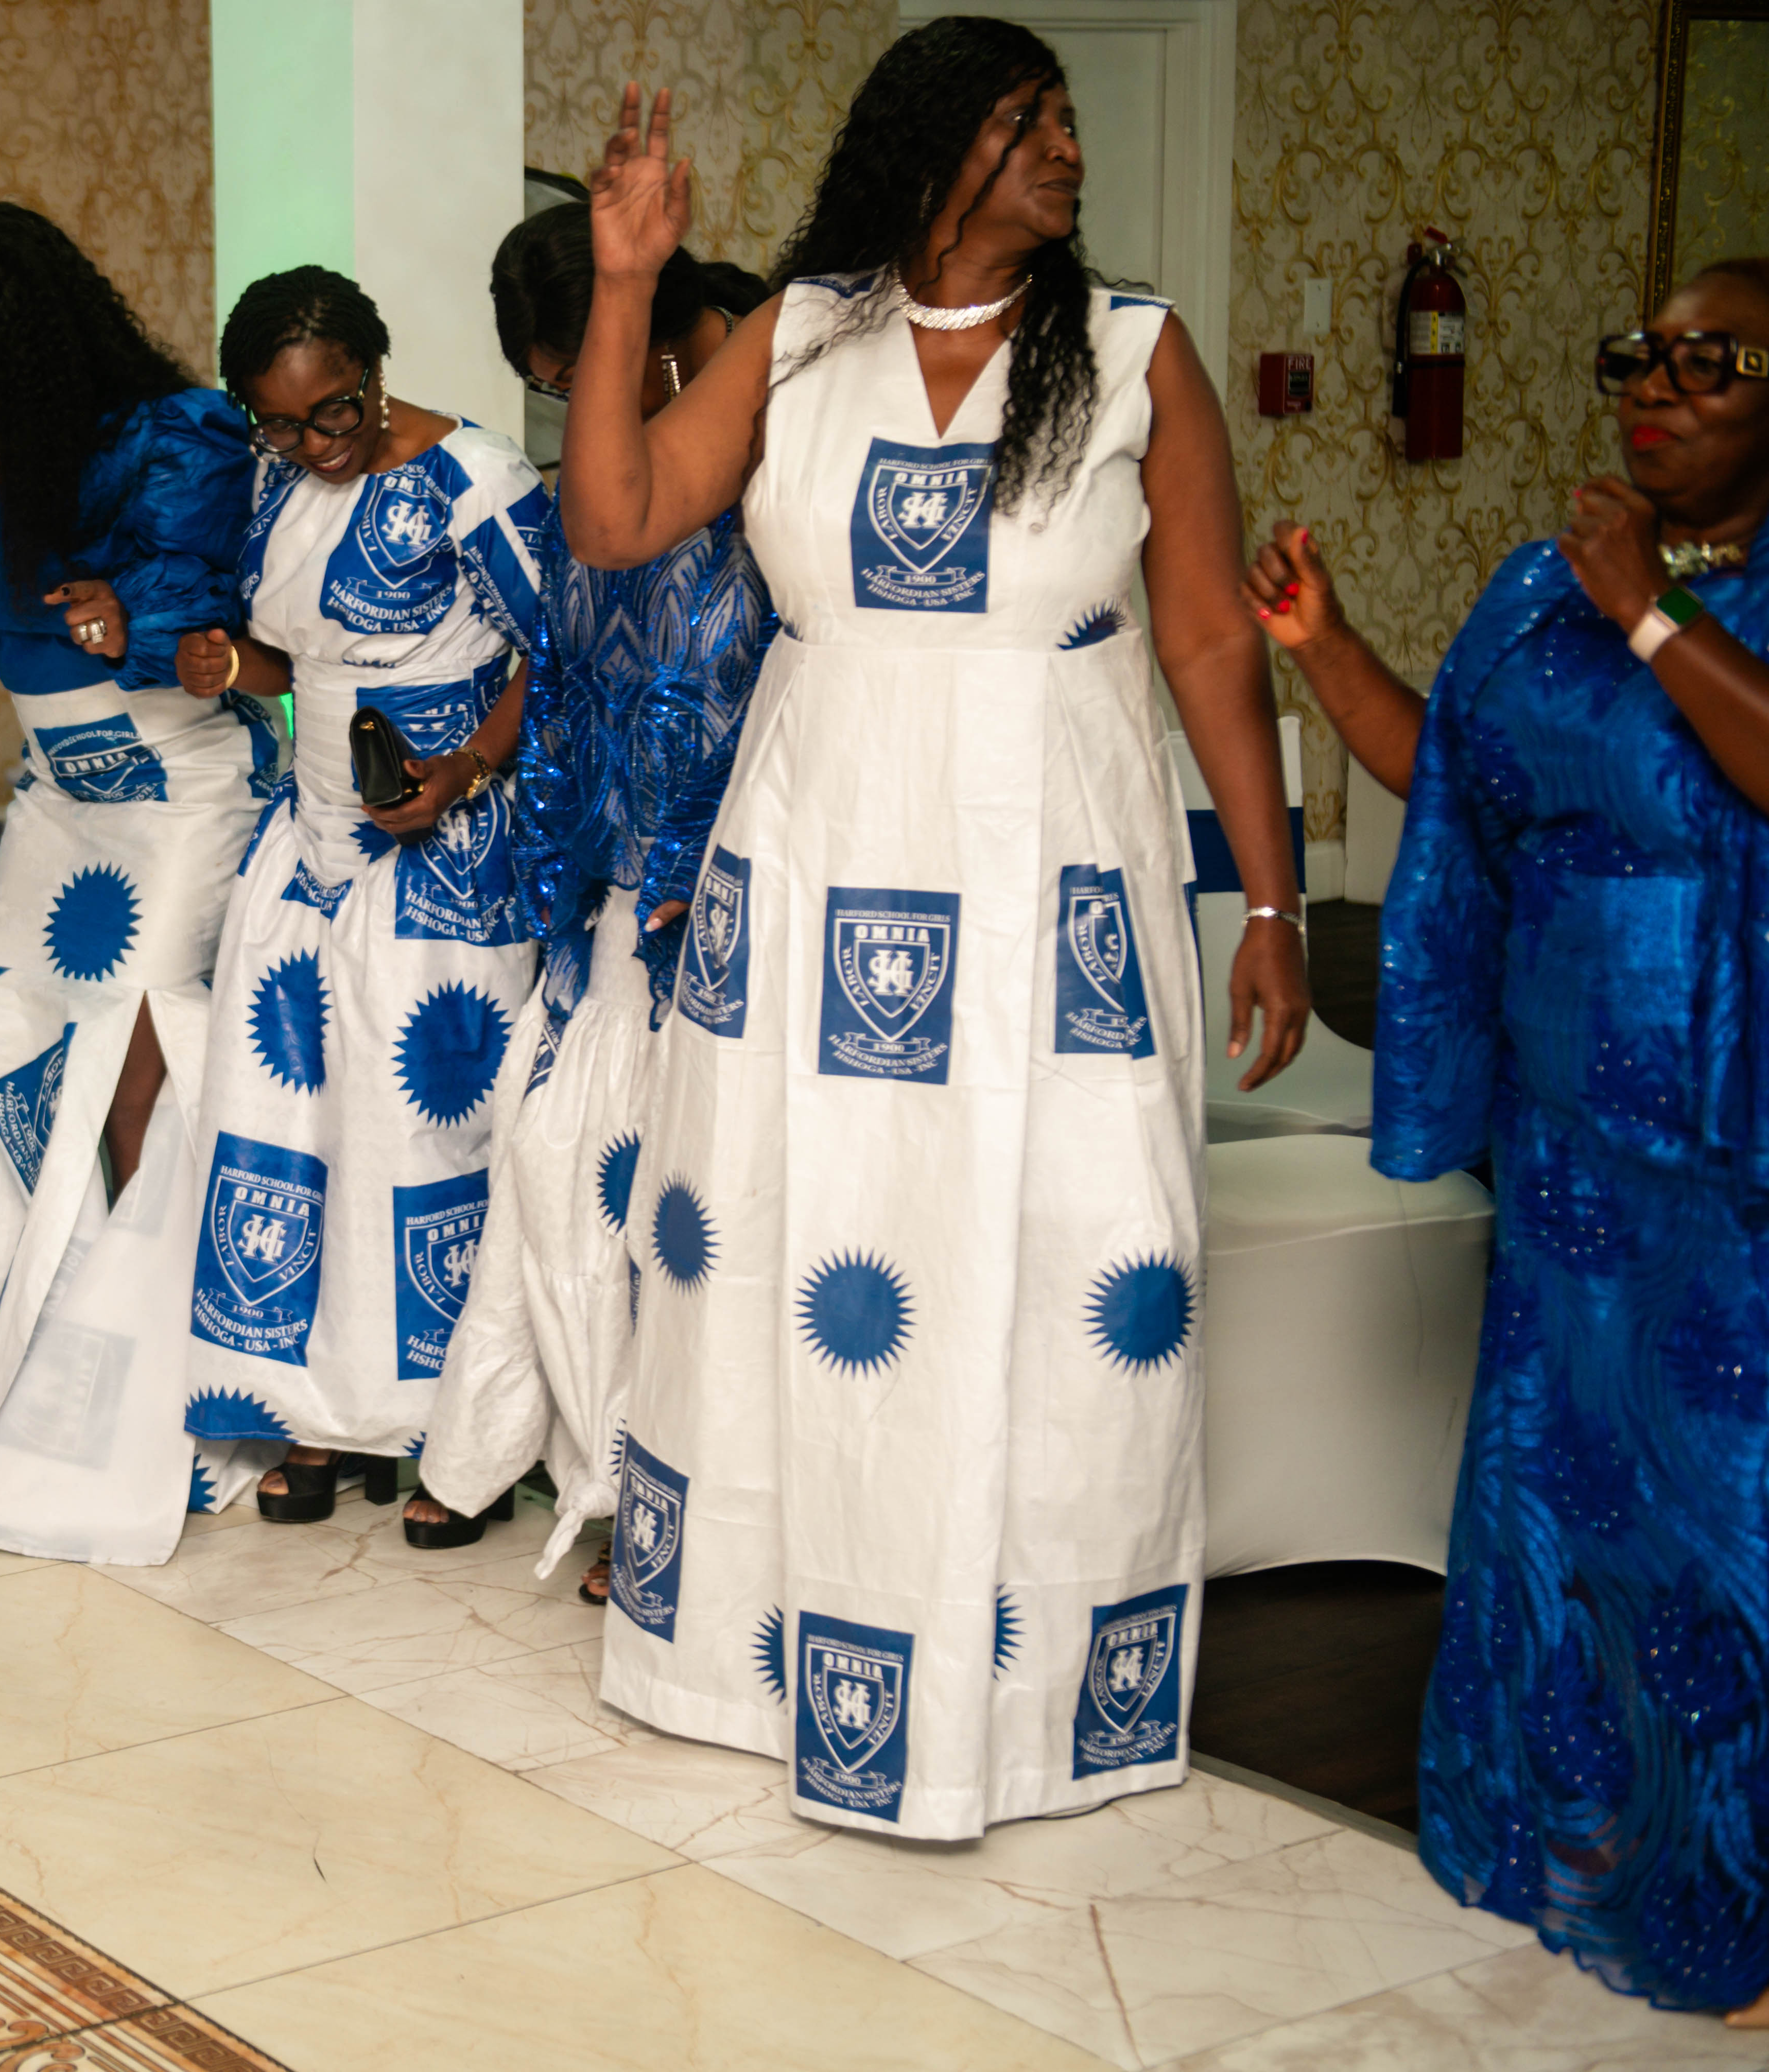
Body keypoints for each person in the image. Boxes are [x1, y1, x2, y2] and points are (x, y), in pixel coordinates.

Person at [565, 35, 1308, 1840]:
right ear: (925, 147)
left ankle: (1028, 1696)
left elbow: (1207, 638)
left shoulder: (1130, 351)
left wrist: (1274, 897)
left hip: (1049, 872)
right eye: (1021, 121)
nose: (1066, 148)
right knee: (784, 1228)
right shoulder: (801, 338)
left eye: (1067, 118)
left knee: (1064, 1235)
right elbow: (617, 516)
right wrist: (625, 282)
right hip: (817, 848)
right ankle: (753, 1658)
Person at [1255, 261, 1769, 2021]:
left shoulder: (1624, 589)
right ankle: (1562, 1840)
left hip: (1732, 1155)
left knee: (1722, 1520)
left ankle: (1730, 1900)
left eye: (1710, 362)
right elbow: (1458, 778)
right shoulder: (1538, 589)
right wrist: (1327, 653)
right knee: (1559, 1501)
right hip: (1568, 1151)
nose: (1657, 387)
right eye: (1640, 355)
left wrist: (1650, 612)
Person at [0, 198, 279, 1547]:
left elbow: (209, 611)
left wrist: (128, 615)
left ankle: (173, 1399)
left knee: (132, 1075)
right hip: (58, 802)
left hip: (176, 788)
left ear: (36, 354)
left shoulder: (164, 435)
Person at [417, 206, 773, 1582]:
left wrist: (720, 851)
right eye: (552, 383)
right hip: (607, 873)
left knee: (664, 1194)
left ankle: (661, 1495)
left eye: (571, 371)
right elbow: (560, 658)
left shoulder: (770, 417)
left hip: (725, 874)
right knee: (559, 1161)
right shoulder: (603, 463)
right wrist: (482, 770)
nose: (570, 401)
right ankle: (568, 1463)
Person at [174, 265, 552, 1521]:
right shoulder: (279, 479)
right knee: (298, 1120)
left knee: (423, 1130)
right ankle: (319, 1414)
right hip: (310, 838)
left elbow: (560, 652)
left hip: (448, 848)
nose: (311, 444)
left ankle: (456, 1433)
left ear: (376, 371)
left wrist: (465, 769)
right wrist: (233, 662)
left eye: (332, 412)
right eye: (280, 423)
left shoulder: (475, 478)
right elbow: (303, 659)